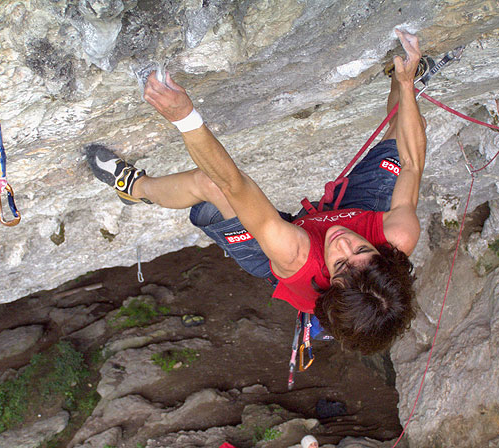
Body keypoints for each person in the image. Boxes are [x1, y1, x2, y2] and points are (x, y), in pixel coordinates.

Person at [87, 29, 426, 355]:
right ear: (385, 256)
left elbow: (234, 184)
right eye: (361, 250)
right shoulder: (398, 235)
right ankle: (397, 72)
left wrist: (184, 118)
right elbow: (412, 162)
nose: (343, 243)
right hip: (350, 214)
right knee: (399, 142)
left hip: (275, 252)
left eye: (340, 265)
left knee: (209, 184)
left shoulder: (293, 255)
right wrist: (407, 83)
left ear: (331, 282)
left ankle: (134, 187)